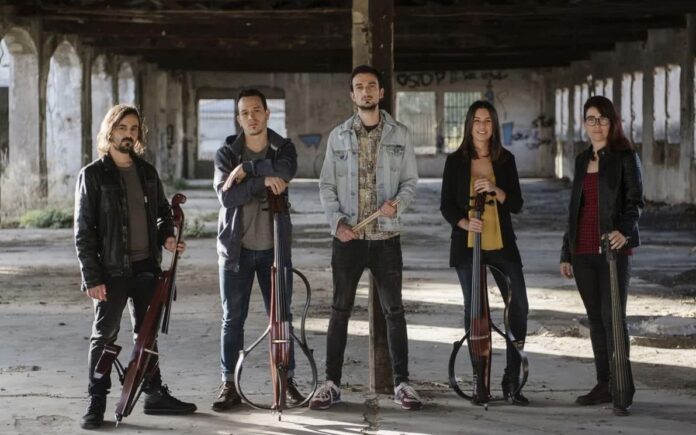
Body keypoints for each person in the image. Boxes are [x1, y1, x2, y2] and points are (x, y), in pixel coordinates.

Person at [75, 104, 197, 430]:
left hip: (146, 266)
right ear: (110, 131)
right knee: (104, 336)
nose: (128, 134)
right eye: (122, 128)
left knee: (148, 334)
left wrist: (168, 238)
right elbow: (83, 232)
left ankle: (154, 393)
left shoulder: (146, 172)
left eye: (133, 129)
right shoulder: (92, 175)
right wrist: (91, 277)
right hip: (111, 270)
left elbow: (161, 214)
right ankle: (96, 399)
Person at [312, 65, 421, 411]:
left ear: (381, 93)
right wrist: (337, 223)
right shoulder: (338, 136)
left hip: (386, 237)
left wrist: (399, 205)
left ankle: (403, 384)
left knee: (394, 311)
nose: (366, 92)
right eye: (359, 87)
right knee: (340, 310)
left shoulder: (400, 134)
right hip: (349, 238)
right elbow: (327, 185)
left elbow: (411, 182)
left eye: (371, 86)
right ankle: (331, 384)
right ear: (352, 95)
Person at [212, 88, 302, 411]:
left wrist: (249, 171)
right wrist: (263, 181)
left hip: (274, 250)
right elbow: (227, 197)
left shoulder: (283, 148)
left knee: (282, 317)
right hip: (236, 250)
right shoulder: (225, 154)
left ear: (267, 113)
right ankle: (229, 384)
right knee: (232, 319)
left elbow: (287, 172)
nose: (251, 117)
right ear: (239, 118)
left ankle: (286, 378)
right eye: (245, 112)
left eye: (256, 111)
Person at [440, 100, 529, 405]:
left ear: (494, 126)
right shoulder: (455, 161)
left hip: (502, 245)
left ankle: (512, 380)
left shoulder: (506, 160)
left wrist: (494, 188)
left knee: (518, 306)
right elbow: (445, 206)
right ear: (469, 124)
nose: (482, 126)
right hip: (468, 246)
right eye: (477, 120)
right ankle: (480, 379)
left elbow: (516, 203)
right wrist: (465, 222)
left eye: (488, 121)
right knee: (474, 312)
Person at [560, 95, 643, 416]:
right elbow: (574, 208)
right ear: (584, 123)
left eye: (603, 119)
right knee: (595, 319)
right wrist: (566, 251)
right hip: (582, 250)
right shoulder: (582, 160)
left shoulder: (625, 156)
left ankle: (623, 386)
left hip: (613, 252)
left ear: (613, 122)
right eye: (591, 119)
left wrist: (625, 231)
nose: (597, 125)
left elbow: (636, 201)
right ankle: (603, 383)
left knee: (614, 318)